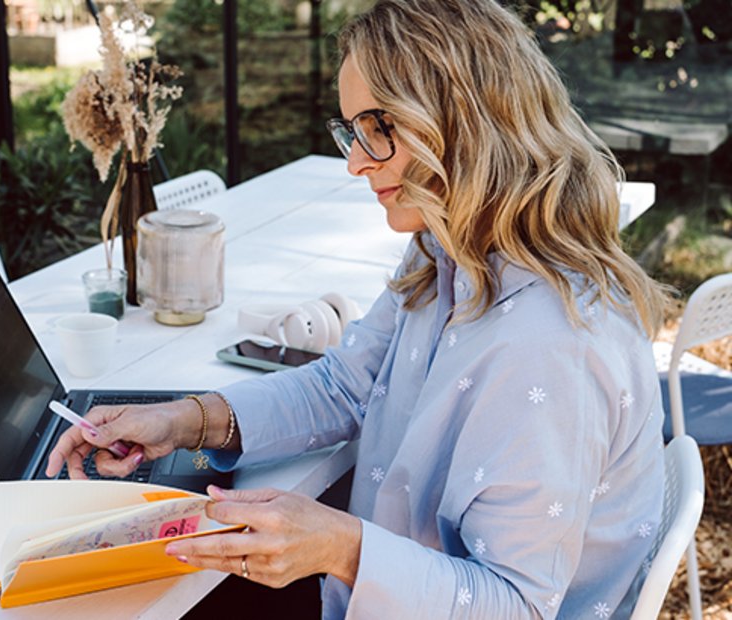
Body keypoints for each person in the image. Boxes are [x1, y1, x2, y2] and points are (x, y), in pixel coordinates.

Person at [47, 0, 673, 617]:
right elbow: (346, 386)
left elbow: (517, 605)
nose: (354, 161)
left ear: (466, 118)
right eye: (353, 132)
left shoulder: (550, 345)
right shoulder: (446, 246)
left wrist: (341, 548)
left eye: (378, 129)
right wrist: (184, 422)